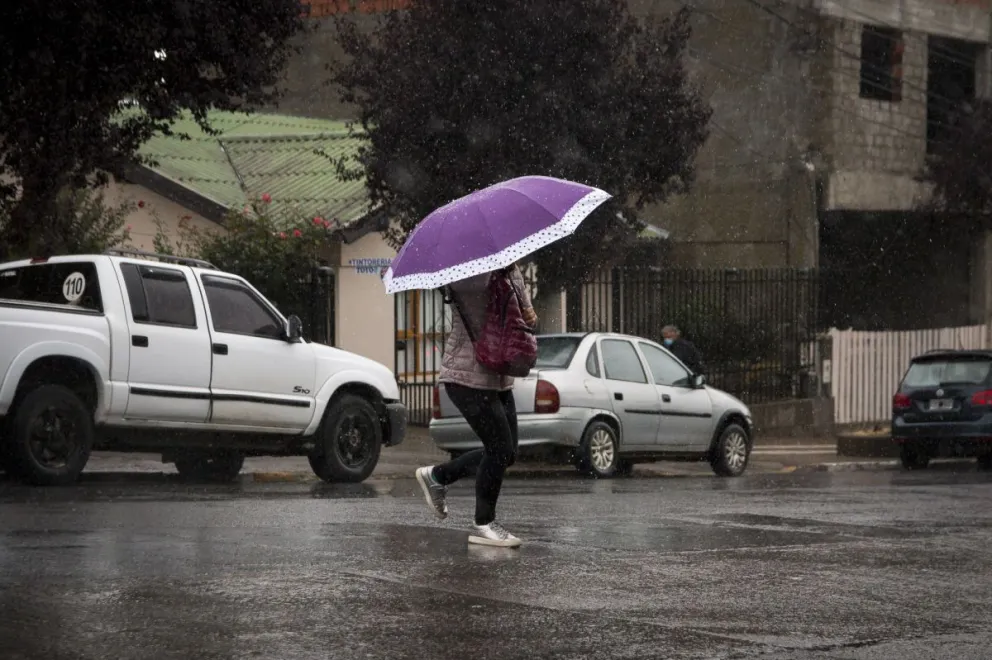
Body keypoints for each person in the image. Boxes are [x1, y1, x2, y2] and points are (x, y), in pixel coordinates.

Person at [415, 263, 537, 548]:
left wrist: (513, 277)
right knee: (499, 449)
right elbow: (489, 305)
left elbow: (528, 316)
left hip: (498, 375)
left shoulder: (508, 271)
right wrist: (509, 279)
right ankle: (484, 523)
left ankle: (438, 475)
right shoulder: (468, 272)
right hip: (466, 376)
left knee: (507, 453)